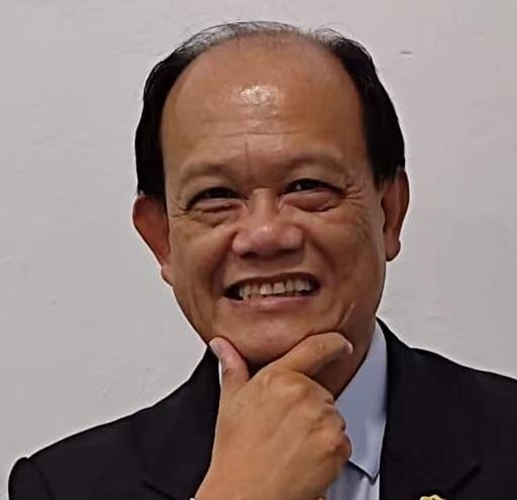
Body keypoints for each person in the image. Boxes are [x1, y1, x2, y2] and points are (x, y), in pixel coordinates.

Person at [9, 21, 517, 500]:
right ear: (162, 239)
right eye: (215, 196)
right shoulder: (63, 487)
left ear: (389, 214)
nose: (265, 235)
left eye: (308, 186)